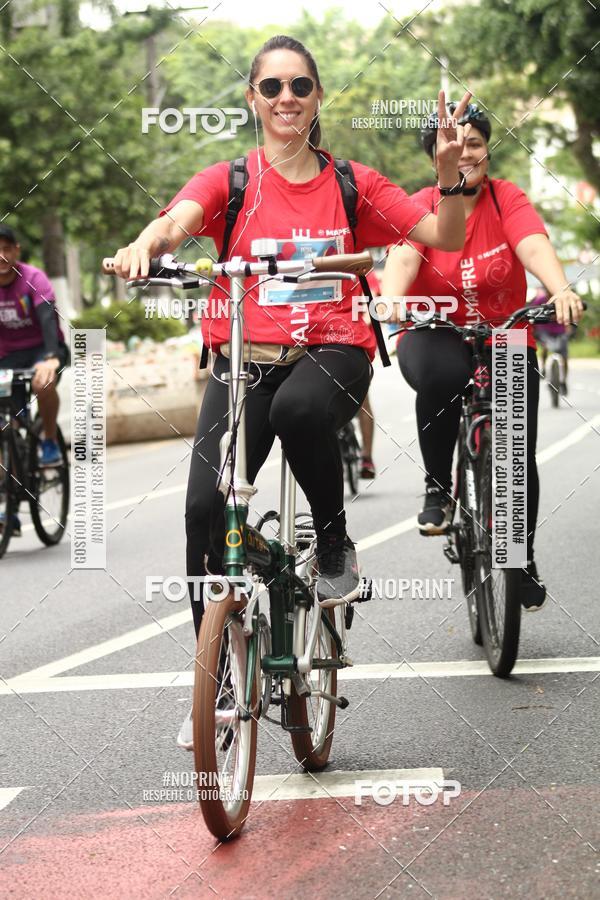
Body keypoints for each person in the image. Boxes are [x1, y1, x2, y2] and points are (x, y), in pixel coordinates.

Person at [112, 35, 471, 747]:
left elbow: (444, 235)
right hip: (242, 355)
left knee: (300, 410)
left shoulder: (352, 183)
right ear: (252, 99)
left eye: (299, 87)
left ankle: (334, 545)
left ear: (317, 99)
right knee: (201, 513)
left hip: (332, 348)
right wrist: (145, 247)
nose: (285, 99)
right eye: (271, 87)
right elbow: (176, 220)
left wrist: (450, 175)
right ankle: (213, 684)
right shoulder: (230, 181)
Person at [382, 101, 584, 612]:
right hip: (433, 329)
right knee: (445, 374)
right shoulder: (423, 203)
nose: (466, 152)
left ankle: (522, 558)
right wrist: (390, 295)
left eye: (475, 143)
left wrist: (558, 288)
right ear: (436, 157)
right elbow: (404, 255)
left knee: (517, 446)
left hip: (506, 333)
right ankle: (438, 490)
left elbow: (533, 243)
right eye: (454, 144)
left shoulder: (505, 198)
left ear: (488, 151)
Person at [0, 226, 69, 535]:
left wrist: (52, 358)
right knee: (6, 430)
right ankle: (9, 509)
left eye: (6, 248)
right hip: (7, 358)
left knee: (42, 382)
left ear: (16, 250)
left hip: (45, 348)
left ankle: (51, 439)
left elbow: (46, 321)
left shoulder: (34, 279)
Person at [531, 286, 571, 393]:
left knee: (564, 356)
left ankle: (563, 381)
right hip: (545, 330)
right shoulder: (540, 300)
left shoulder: (562, 299)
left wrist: (568, 329)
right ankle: (543, 368)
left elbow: (570, 315)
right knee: (545, 348)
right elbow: (532, 312)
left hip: (560, 330)